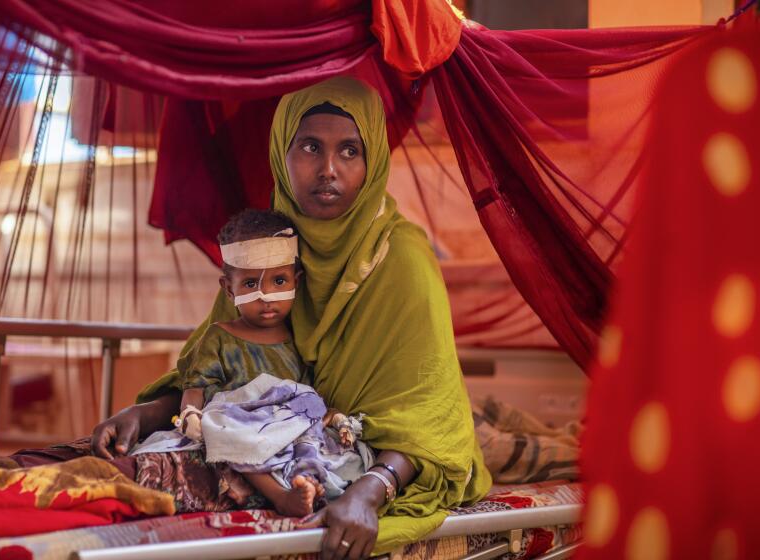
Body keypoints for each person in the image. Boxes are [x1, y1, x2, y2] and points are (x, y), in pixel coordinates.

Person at [92, 76, 492, 559]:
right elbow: (222, 370)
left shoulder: (400, 259)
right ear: (281, 155)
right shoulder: (269, 254)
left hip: (371, 453)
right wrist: (143, 413)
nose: (328, 169)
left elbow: (428, 416)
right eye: (309, 147)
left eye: (349, 151)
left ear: (373, 162)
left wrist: (369, 492)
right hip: (276, 444)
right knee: (107, 467)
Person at [131, 208, 370, 517]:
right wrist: (191, 414)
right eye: (249, 285)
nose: (266, 296)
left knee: (338, 450)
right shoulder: (218, 339)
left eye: (279, 281)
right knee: (233, 437)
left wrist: (332, 417)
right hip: (235, 426)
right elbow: (196, 388)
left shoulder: (300, 339)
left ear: (296, 281)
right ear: (229, 289)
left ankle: (311, 484)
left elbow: (304, 396)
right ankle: (281, 497)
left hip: (283, 428)